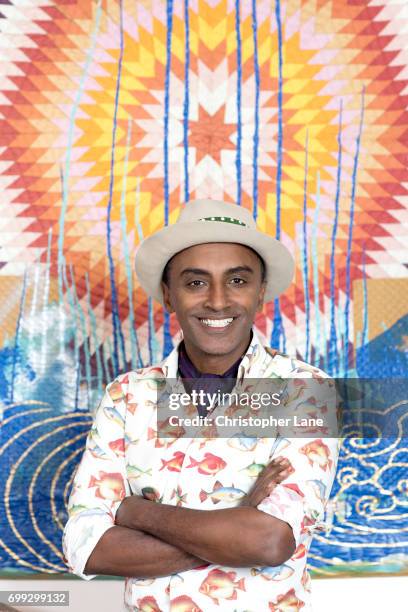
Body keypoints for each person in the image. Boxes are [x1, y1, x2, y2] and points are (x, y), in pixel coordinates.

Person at [62, 199, 339, 611]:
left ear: (261, 293)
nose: (217, 301)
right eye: (195, 283)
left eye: (238, 281)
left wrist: (135, 512)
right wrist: (238, 516)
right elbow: (86, 548)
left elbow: (268, 540)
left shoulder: (306, 391)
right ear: (168, 295)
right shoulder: (127, 395)